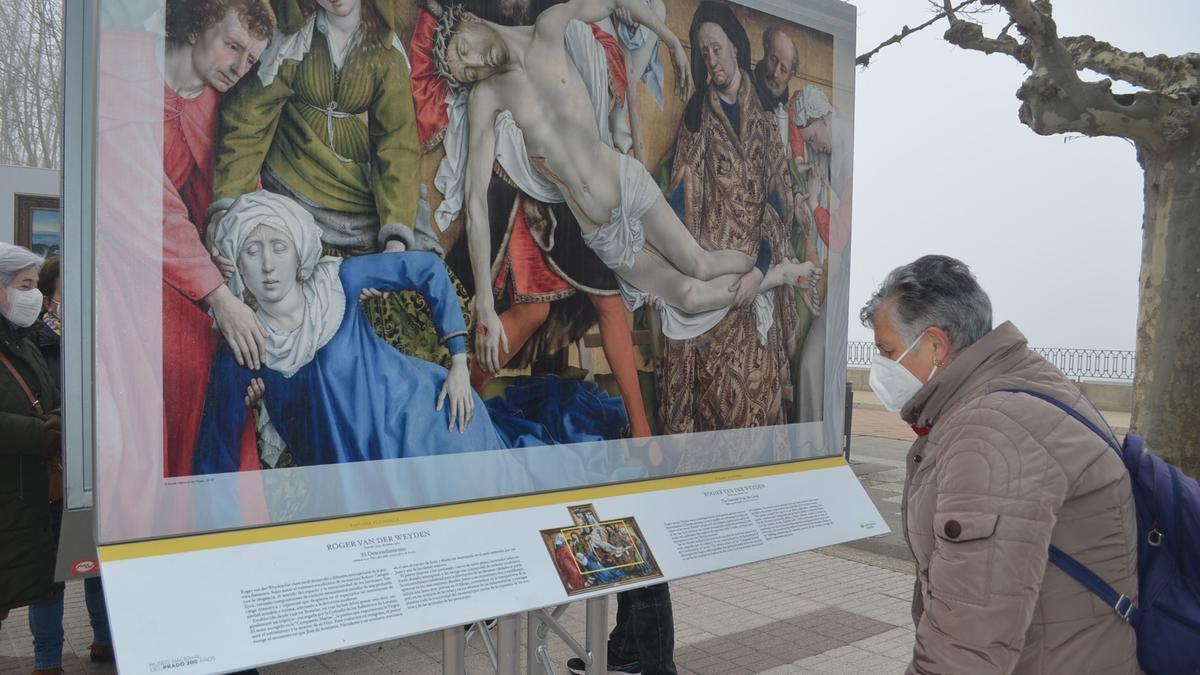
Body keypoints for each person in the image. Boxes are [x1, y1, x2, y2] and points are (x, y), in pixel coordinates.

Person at [428, 0, 818, 381]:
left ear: (468, 22)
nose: (477, 63)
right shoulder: (488, 96)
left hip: (626, 184)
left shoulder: (550, 27)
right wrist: (484, 301)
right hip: (601, 230)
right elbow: (475, 202)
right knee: (688, 296)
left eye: (466, 50)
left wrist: (668, 39)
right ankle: (779, 276)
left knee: (700, 263)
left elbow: (615, 2)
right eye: (468, 72)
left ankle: (768, 265)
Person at [193, 191, 628, 473]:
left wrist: (459, 363)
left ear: (298, 252)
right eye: (252, 250)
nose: (268, 265)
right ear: (236, 263)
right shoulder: (242, 347)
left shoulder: (337, 284)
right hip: (359, 481)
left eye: (278, 247)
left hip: (431, 427)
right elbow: (217, 456)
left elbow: (427, 270)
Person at [860, 255, 1138, 674]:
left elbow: (968, 638)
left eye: (888, 351)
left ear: (936, 345)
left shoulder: (990, 433)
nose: (879, 368)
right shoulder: (1029, 386)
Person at [210, 0, 471, 375]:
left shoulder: (383, 51)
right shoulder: (292, 41)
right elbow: (249, 122)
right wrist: (224, 207)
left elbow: (396, 147)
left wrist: (394, 239)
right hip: (296, 188)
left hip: (360, 194)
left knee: (401, 321)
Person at [659, 2, 800, 451]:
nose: (711, 61)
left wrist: (760, 270)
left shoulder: (762, 114)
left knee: (759, 400)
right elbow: (681, 196)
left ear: (736, 48)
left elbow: (777, 201)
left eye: (717, 49)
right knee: (715, 400)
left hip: (755, 279)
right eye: (704, 53)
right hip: (713, 278)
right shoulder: (698, 114)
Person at [160, 0, 276, 477]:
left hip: (186, 276)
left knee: (220, 369)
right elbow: (150, 202)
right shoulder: (126, 76)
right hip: (135, 278)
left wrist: (229, 243)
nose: (238, 67)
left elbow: (235, 190)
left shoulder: (213, 108)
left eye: (251, 60)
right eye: (233, 46)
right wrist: (219, 297)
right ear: (198, 24)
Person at [24, 258, 116, 669]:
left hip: (101, 463)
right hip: (54, 467)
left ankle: (104, 640)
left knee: (98, 560)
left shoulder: (102, 331)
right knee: (51, 568)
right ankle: (47, 658)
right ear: (50, 291)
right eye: (68, 286)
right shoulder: (31, 338)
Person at [0, 245, 65, 675]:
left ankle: (49, 660)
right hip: (11, 491)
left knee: (37, 580)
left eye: (37, 286)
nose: (35, 297)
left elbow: (52, 399)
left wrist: (58, 422)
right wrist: (39, 434)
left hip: (30, 493)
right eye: (25, 286)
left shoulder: (24, 342)